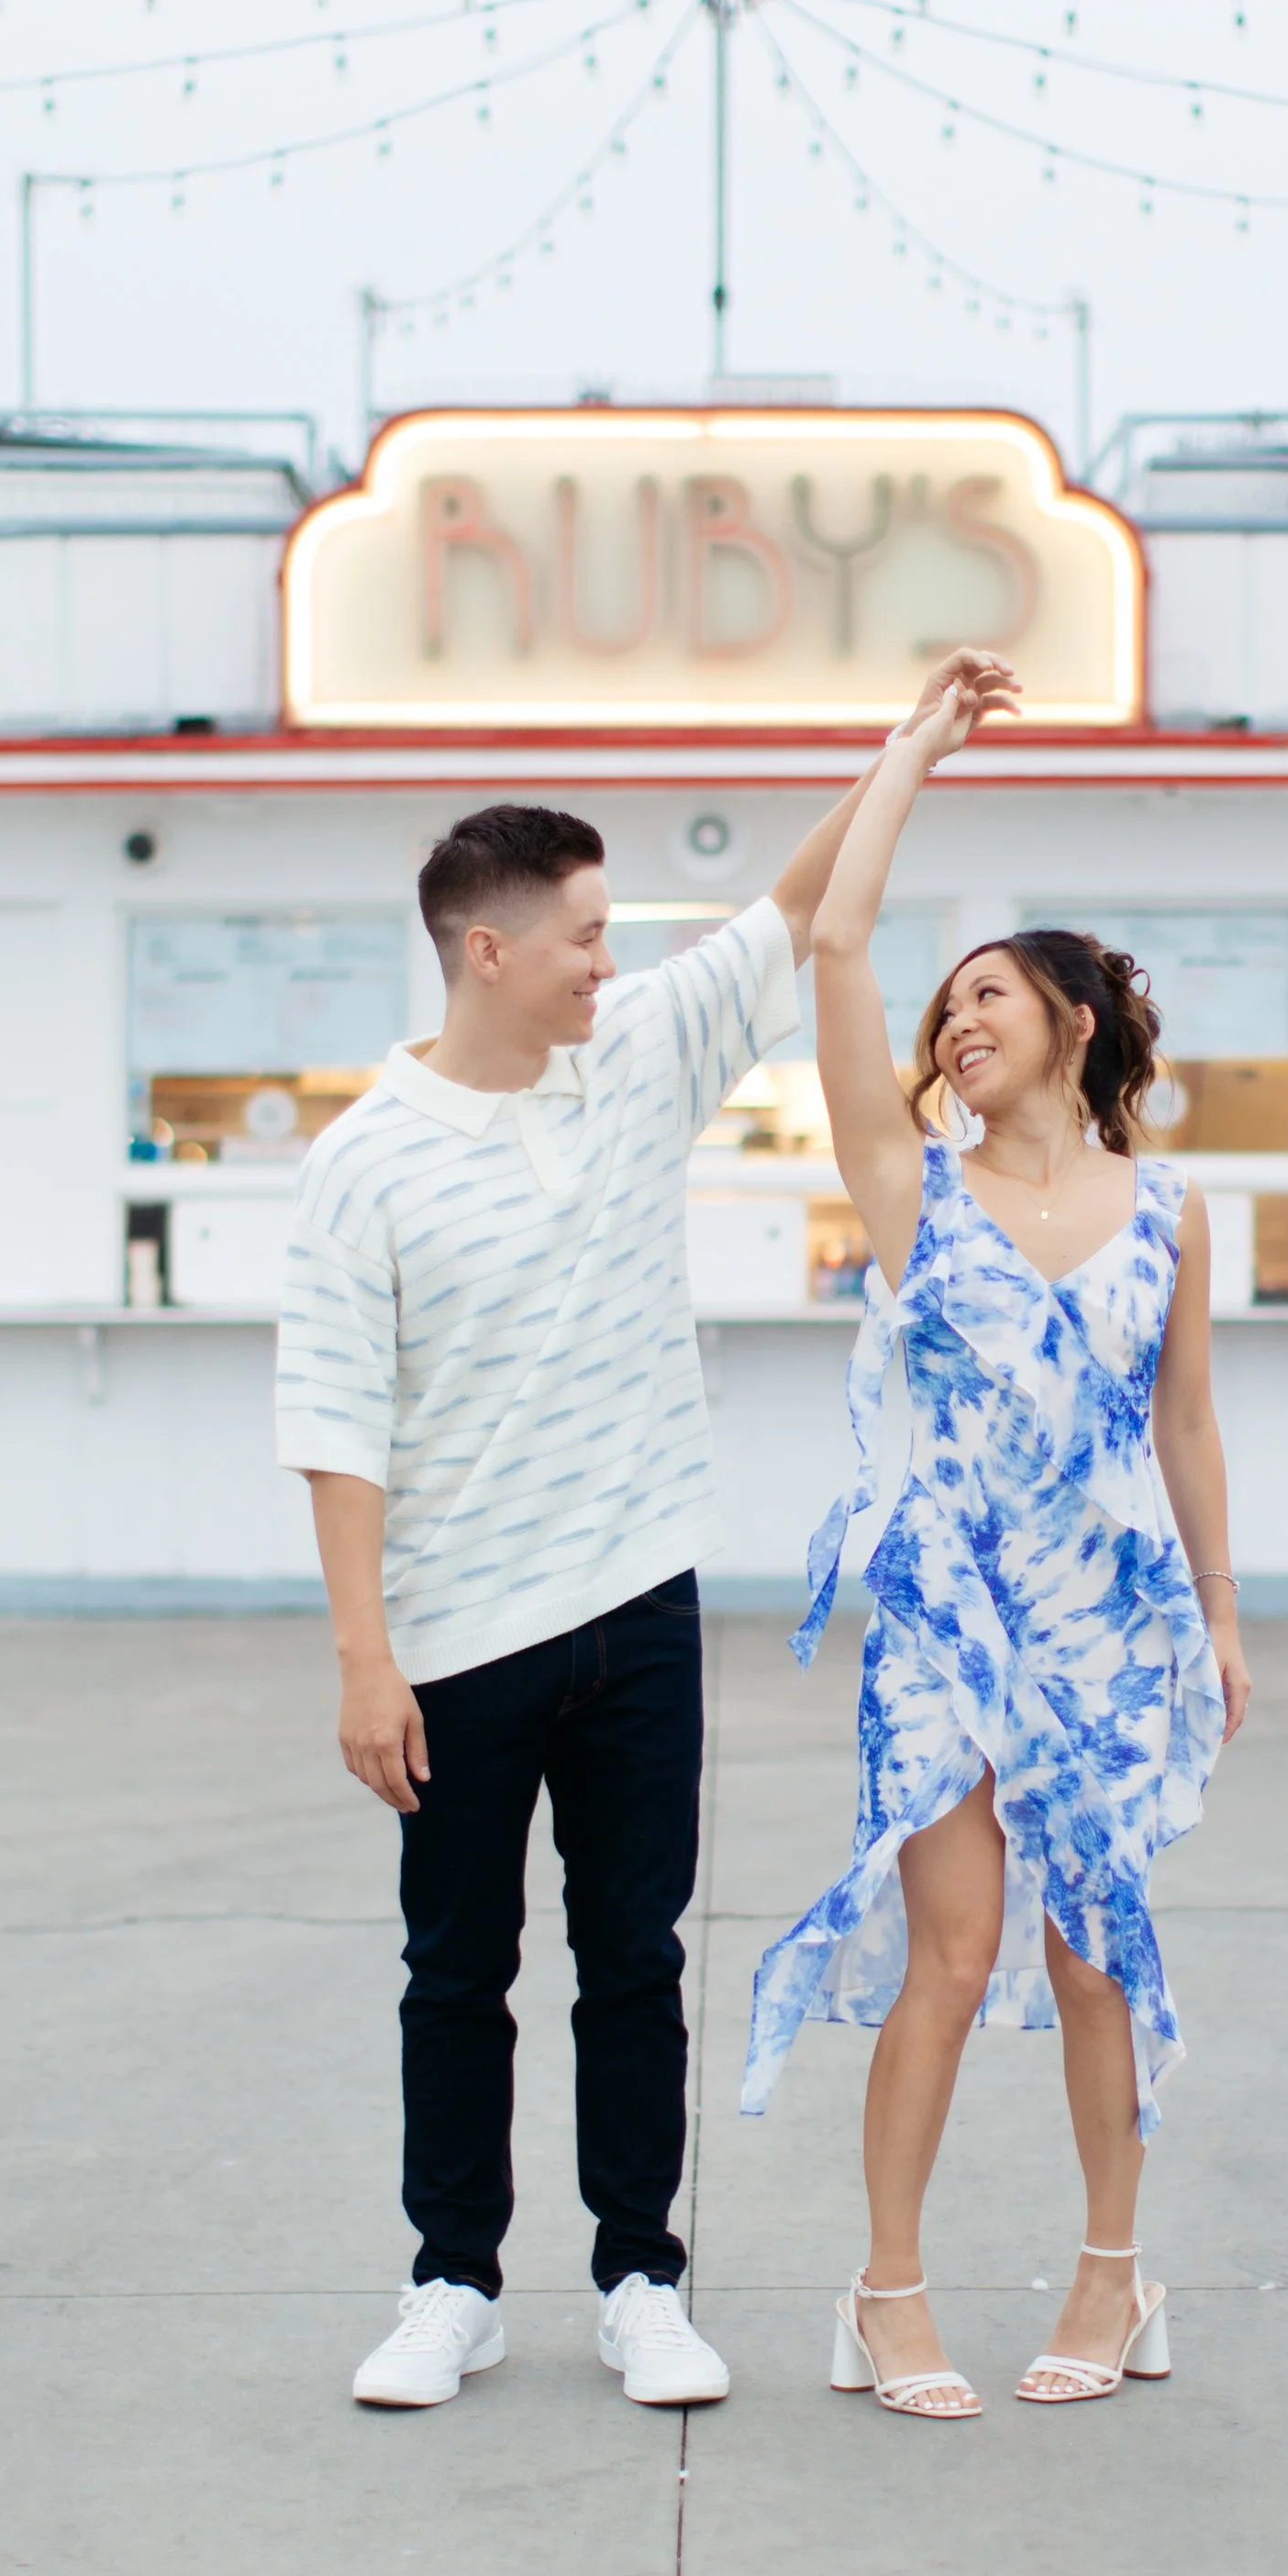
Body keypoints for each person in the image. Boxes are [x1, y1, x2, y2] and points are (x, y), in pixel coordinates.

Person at [273, 693, 995, 2413]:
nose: (611, 960)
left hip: (640, 1605)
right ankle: (449, 2282)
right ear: (486, 946)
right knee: (455, 1971)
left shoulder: (643, 1056)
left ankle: (639, 2278)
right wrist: (365, 1656)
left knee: (635, 1960)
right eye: (585, 935)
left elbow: (800, 904)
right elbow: (335, 1420)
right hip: (454, 1634)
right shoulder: (361, 1165)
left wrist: (909, 747)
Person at [742, 660, 1253, 2419]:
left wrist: (1223, 1617)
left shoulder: (1173, 1211)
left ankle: (1118, 2278)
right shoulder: (915, 1191)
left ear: (1073, 1021)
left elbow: (1185, 1423)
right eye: (946, 1004)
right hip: (950, 1610)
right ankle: (884, 2295)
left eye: (991, 998)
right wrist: (913, 749)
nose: (956, 1024)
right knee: (953, 1952)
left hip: (1107, 1616)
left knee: (1093, 1940)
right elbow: (831, 949)